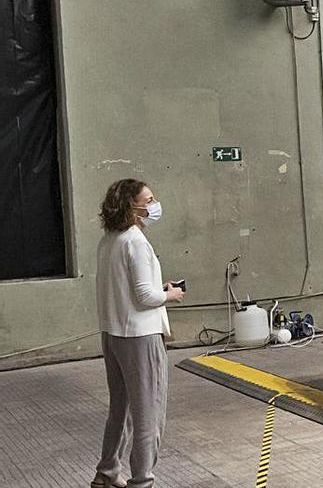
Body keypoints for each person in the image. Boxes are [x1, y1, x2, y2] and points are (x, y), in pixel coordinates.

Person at [91, 179, 184, 488]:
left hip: (114, 334)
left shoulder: (109, 240)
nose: (154, 204)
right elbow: (145, 297)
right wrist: (169, 295)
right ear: (132, 206)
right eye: (149, 199)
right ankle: (142, 481)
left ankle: (107, 472)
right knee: (149, 414)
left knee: (121, 409)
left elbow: (128, 290)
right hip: (140, 339)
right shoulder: (135, 241)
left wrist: (159, 289)